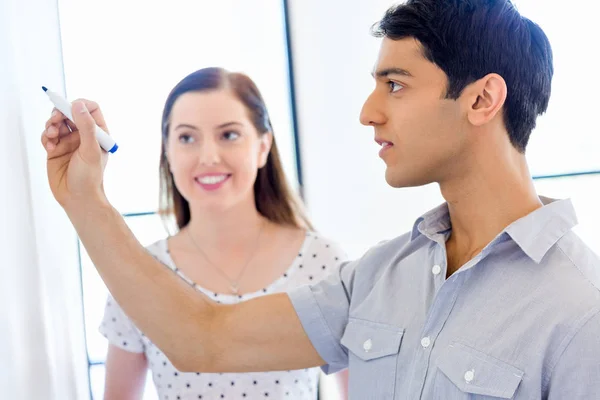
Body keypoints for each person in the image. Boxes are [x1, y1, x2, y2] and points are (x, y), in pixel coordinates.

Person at [42, 0, 600, 398]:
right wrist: (85, 199)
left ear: (482, 99)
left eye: (396, 84)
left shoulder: (582, 312)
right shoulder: (381, 276)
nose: (368, 110)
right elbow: (202, 340)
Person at [92, 68, 349, 399]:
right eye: (187, 138)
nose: (208, 157)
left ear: (262, 146)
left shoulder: (324, 264)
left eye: (228, 135)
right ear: (167, 153)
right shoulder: (138, 275)